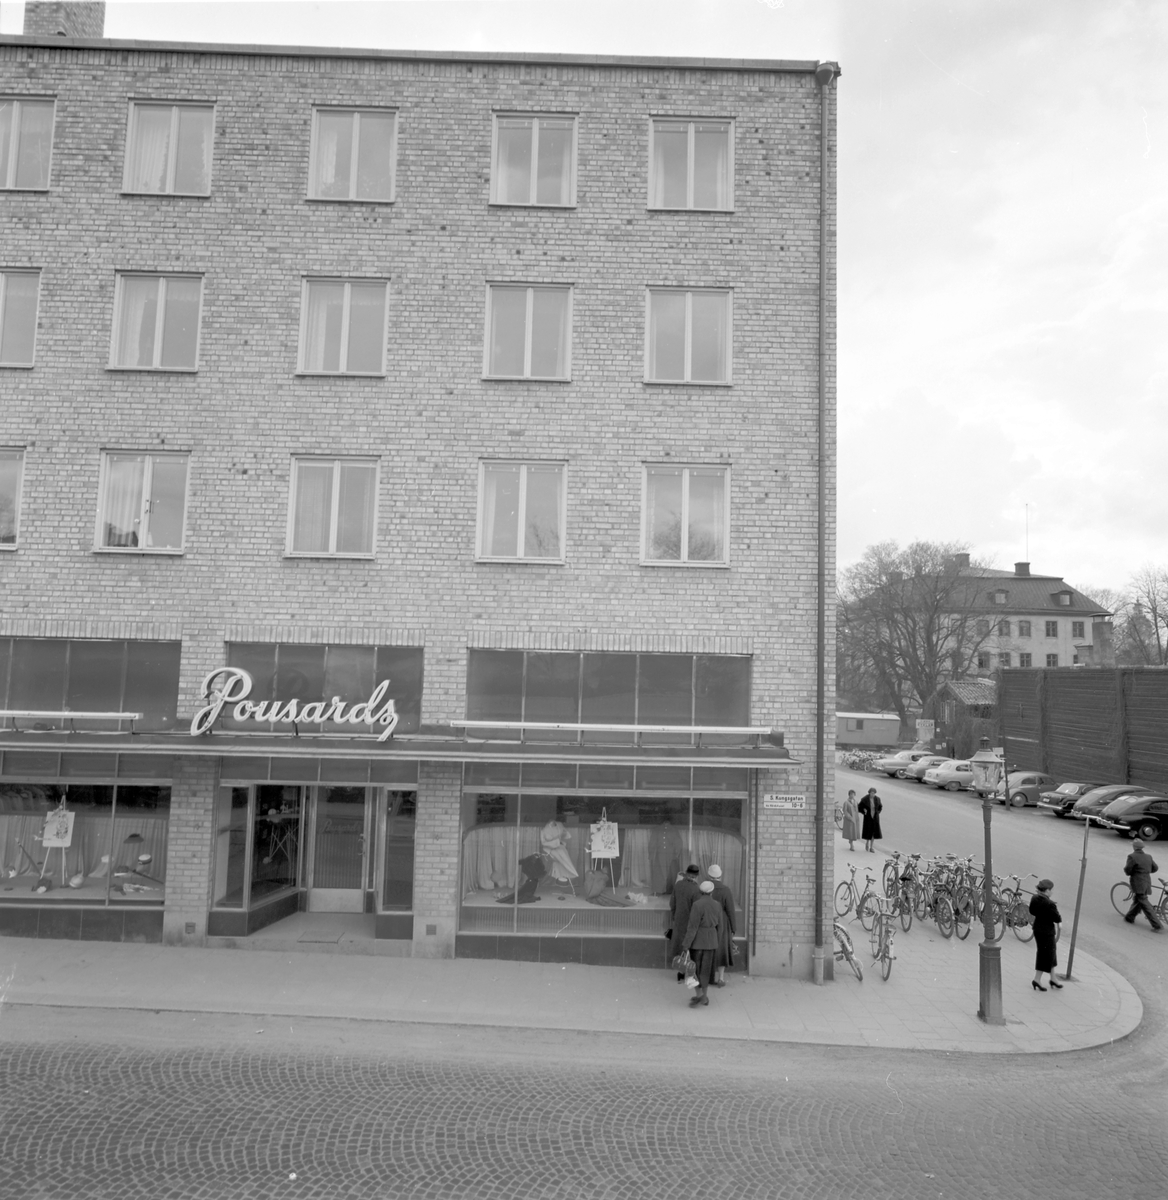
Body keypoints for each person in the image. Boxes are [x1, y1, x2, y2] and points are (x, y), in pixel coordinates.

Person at [682, 879, 722, 1007]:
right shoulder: (717, 905)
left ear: (700, 892)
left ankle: (700, 996)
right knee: (706, 970)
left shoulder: (697, 905)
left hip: (698, 941)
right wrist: (717, 941)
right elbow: (720, 926)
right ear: (712, 892)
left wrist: (686, 944)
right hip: (711, 941)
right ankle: (704, 995)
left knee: (695, 970)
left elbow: (692, 927)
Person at [668, 864, 702, 979]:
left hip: (679, 920)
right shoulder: (696, 889)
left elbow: (672, 903)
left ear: (686, 873)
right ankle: (691, 972)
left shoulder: (678, 885)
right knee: (689, 946)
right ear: (696, 876)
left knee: (680, 946)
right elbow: (697, 909)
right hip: (690, 922)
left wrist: (674, 915)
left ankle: (681, 972)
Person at [1028, 878, 1063, 991]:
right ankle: (1037, 980)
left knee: (1050, 954)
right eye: (1051, 890)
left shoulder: (1034, 898)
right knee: (1045, 955)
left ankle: (1053, 978)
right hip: (1047, 932)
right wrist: (1059, 920)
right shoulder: (1050, 904)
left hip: (1037, 929)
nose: (1052, 892)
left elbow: (1032, 911)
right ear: (1047, 890)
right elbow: (1056, 918)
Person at [1123, 840, 1163, 932]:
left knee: (1143, 901)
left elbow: (1128, 870)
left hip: (1138, 882)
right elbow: (1155, 868)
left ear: (1134, 847)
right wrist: (1145, 871)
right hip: (1147, 881)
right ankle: (1129, 917)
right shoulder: (1148, 856)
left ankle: (1157, 925)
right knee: (1138, 899)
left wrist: (1131, 873)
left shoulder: (1132, 856)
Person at [707, 864, 736, 986]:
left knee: (709, 949)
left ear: (709, 875)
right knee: (722, 949)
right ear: (720, 875)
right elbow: (730, 910)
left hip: (708, 920)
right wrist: (733, 927)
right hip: (722, 922)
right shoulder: (726, 890)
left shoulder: (706, 888)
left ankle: (709, 977)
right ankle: (721, 978)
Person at [858, 787, 883, 852]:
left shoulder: (877, 799)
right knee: (868, 831)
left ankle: (871, 847)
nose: (873, 794)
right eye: (871, 793)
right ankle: (867, 843)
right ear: (869, 793)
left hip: (875, 818)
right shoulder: (864, 799)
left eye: (874, 793)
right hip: (868, 817)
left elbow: (880, 807)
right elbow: (859, 807)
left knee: (874, 832)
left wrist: (877, 812)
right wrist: (864, 811)